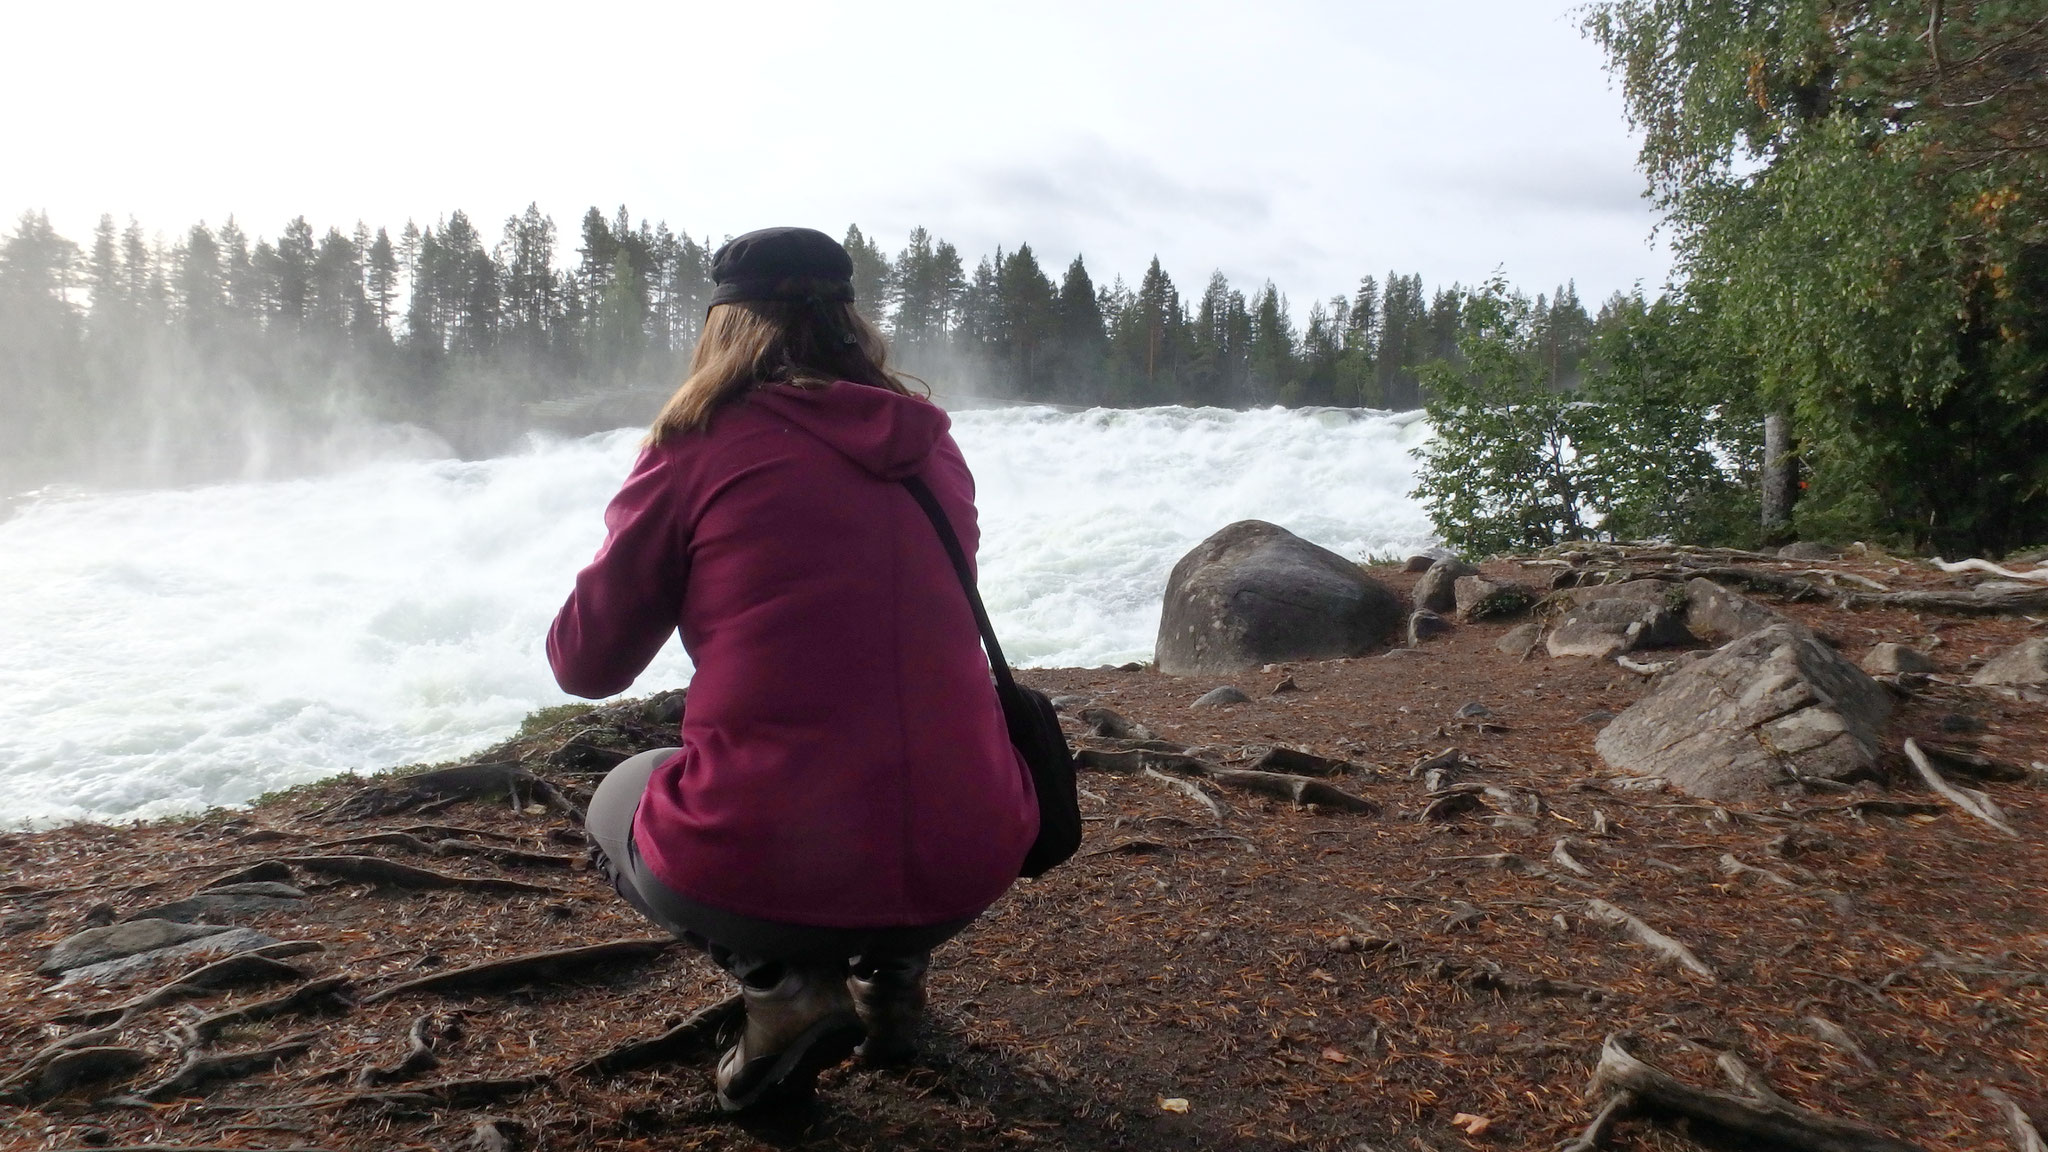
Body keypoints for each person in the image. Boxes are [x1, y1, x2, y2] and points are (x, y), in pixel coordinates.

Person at [547, 226, 1038, 1112]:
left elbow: (586, 665)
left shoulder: (695, 447)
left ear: (724, 327)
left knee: (624, 788)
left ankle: (783, 991)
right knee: (894, 750)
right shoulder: (932, 446)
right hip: (975, 847)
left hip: (782, 859)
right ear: (852, 321)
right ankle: (892, 983)